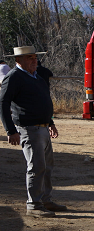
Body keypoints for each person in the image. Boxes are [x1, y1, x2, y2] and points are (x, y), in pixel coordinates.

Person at [0, 46, 67, 218]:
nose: (34, 60)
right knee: (36, 167)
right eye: (29, 58)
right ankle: (34, 205)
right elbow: (3, 103)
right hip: (29, 129)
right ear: (18, 60)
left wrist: (50, 123)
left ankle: (45, 200)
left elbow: (43, 101)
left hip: (42, 128)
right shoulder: (14, 77)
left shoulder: (36, 76)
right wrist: (10, 130)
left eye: (35, 57)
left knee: (46, 166)